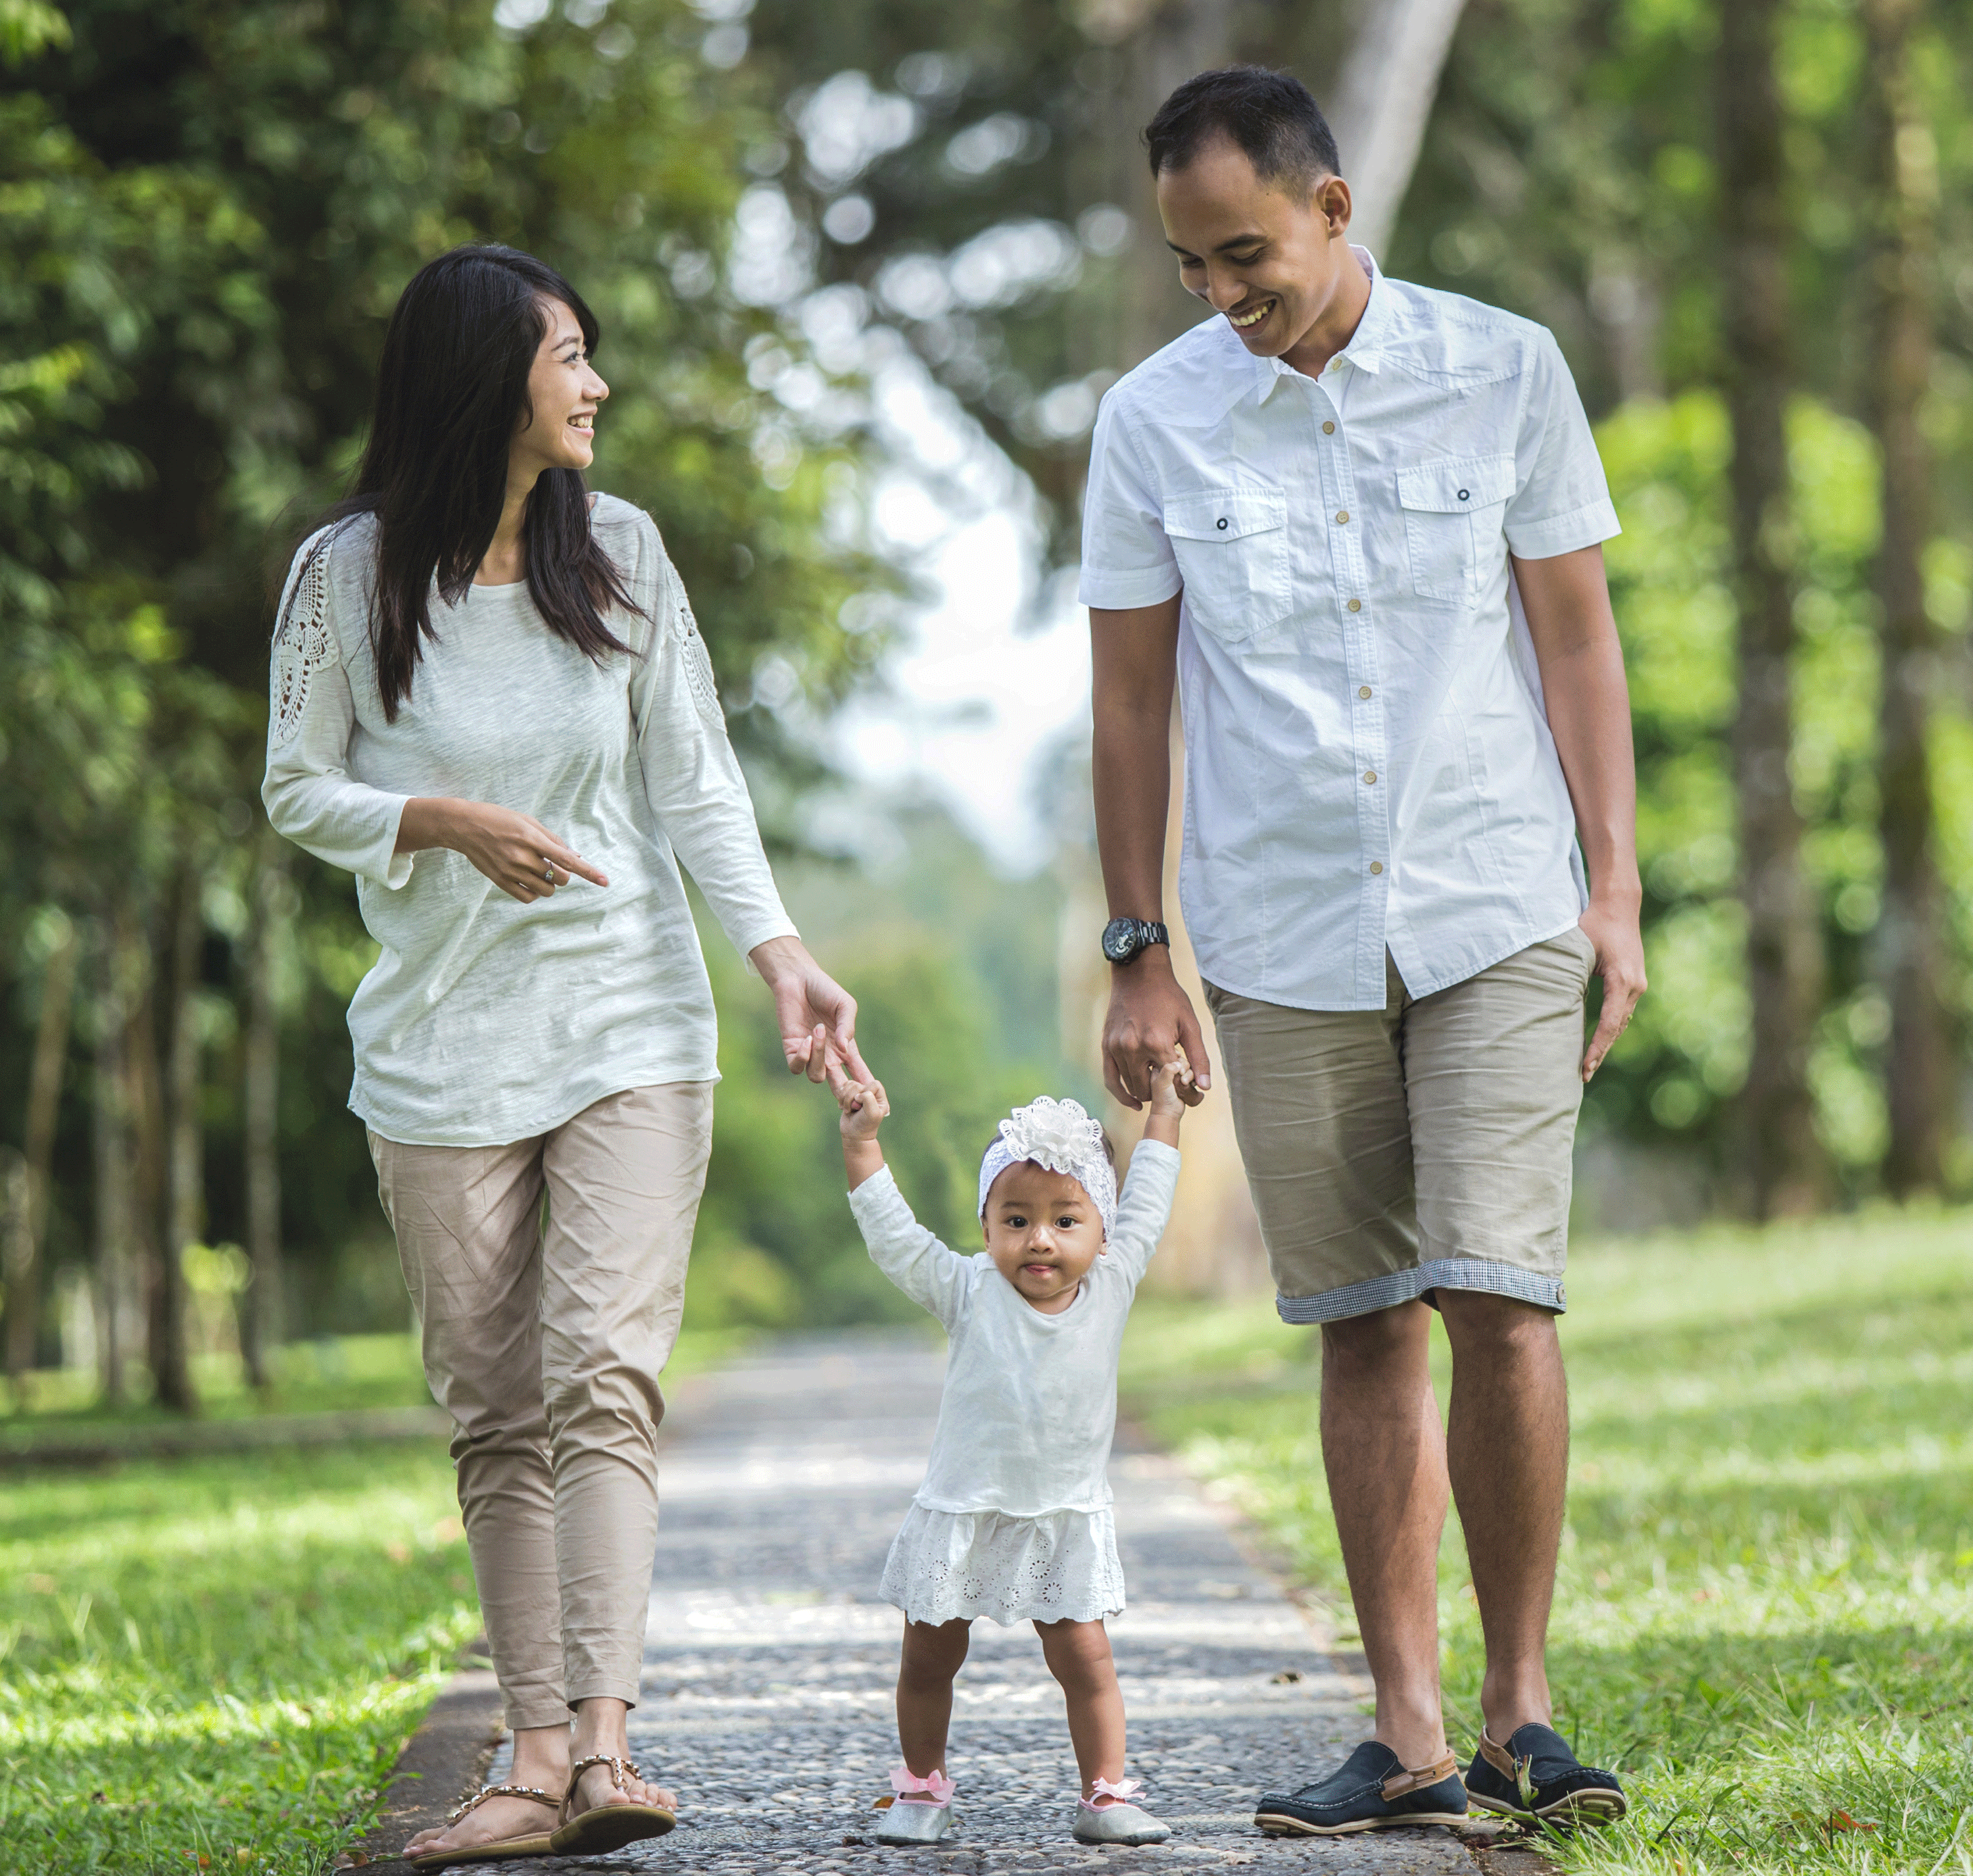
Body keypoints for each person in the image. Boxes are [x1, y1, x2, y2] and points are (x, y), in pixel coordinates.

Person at [1079, 67, 1643, 1837]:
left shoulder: (1504, 367)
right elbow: (1129, 697)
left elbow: (1575, 639)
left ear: (1330, 206)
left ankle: (1518, 1710)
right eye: (1188, 263)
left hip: (1493, 898)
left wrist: (1615, 892)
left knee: (1502, 1292)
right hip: (1277, 925)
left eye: (1241, 252)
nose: (1217, 291)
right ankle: (1402, 1732)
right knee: (1359, 1317)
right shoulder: (1152, 422)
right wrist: (1139, 947)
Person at [261, 244, 867, 1869]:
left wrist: (782, 955)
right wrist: (438, 819)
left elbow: (697, 780)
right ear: (485, 381)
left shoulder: (625, 556)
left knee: (603, 1369)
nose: (595, 385)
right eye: (568, 357)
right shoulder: (345, 575)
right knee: (493, 1403)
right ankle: (528, 1758)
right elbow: (295, 785)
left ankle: (603, 1744)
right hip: (438, 1042)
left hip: (628, 1015)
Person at [824, 1067, 1190, 1846]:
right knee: (929, 1656)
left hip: (1061, 1515)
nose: (1040, 1239)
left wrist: (1164, 1112)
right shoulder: (965, 1288)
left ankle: (1105, 1793)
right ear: (987, 1226)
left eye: (1066, 1219)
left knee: (1086, 1658)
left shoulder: (1114, 1283)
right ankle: (922, 1787)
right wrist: (863, 1141)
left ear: (1102, 1229)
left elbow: (1151, 1196)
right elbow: (893, 1234)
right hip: (966, 1509)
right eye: (1016, 1219)